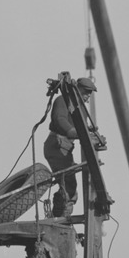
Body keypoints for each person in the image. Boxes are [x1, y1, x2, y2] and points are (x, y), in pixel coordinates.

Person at [44, 77, 97, 218]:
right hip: (57, 144)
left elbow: (82, 128)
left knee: (68, 183)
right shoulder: (63, 100)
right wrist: (74, 132)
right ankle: (59, 219)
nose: (88, 95)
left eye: (90, 93)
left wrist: (89, 132)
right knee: (69, 186)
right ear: (76, 89)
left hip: (66, 146)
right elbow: (59, 120)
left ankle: (58, 216)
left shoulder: (81, 110)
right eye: (86, 92)